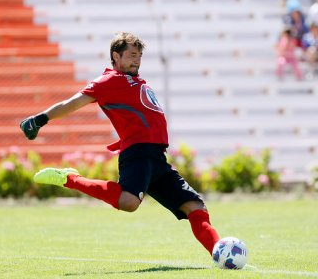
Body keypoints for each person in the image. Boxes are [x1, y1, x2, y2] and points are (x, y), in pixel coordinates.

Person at [20, 32, 220, 256]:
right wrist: (40, 119)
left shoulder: (135, 80)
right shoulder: (107, 81)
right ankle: (69, 179)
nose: (137, 60)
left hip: (156, 158)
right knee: (129, 202)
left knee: (196, 207)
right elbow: (73, 103)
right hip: (137, 152)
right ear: (116, 56)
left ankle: (220, 253)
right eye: (132, 55)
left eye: (140, 56)